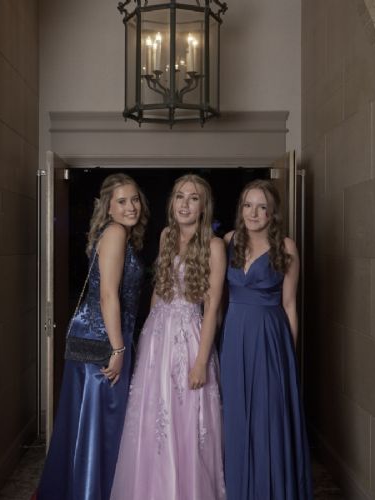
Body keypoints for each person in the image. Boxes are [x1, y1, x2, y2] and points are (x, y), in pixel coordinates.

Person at [110, 174, 226, 500]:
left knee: (187, 417)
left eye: (193, 198)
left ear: (204, 206)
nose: (184, 204)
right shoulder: (166, 236)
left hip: (190, 338)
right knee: (153, 417)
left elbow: (212, 308)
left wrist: (201, 362)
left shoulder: (215, 246)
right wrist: (148, 334)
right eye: (179, 197)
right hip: (157, 336)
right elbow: (159, 291)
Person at [35, 173, 149, 500]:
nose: (131, 207)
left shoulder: (119, 234)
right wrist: (118, 349)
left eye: (135, 199)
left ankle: (84, 489)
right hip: (103, 340)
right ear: (108, 207)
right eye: (122, 201)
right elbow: (108, 296)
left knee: (93, 421)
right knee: (102, 422)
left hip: (101, 335)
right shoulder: (115, 233)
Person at [220, 179, 314, 500]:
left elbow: (289, 305)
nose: (253, 213)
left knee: (267, 416)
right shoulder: (228, 241)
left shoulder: (286, 247)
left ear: (272, 213)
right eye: (248, 205)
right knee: (235, 415)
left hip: (271, 338)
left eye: (262, 207)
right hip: (234, 336)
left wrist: (288, 358)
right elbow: (217, 299)